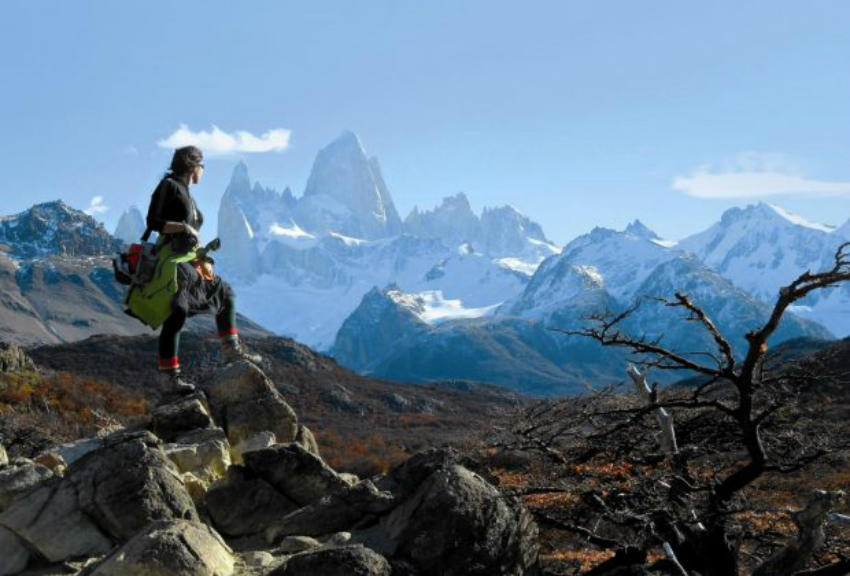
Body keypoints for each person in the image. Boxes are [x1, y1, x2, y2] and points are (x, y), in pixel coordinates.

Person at [145, 145, 261, 394]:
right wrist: (183, 229)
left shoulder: (186, 192)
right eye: (202, 166)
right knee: (178, 312)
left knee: (223, 294)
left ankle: (230, 350)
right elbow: (153, 221)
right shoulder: (169, 186)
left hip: (189, 260)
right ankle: (170, 378)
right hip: (174, 261)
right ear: (192, 166)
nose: (203, 171)